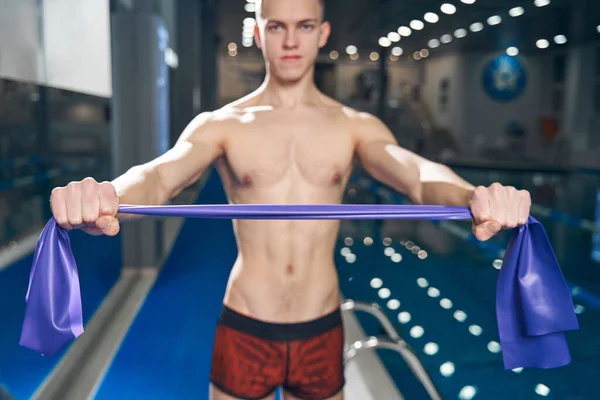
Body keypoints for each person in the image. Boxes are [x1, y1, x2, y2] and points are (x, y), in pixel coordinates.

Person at [49, 0, 532, 399]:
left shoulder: (352, 125)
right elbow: (158, 178)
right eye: (276, 26)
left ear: (322, 34)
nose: (291, 41)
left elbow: (419, 177)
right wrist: (110, 194)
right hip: (246, 323)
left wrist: (473, 195)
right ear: (258, 33)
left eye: (303, 27)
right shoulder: (221, 124)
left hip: (320, 325)